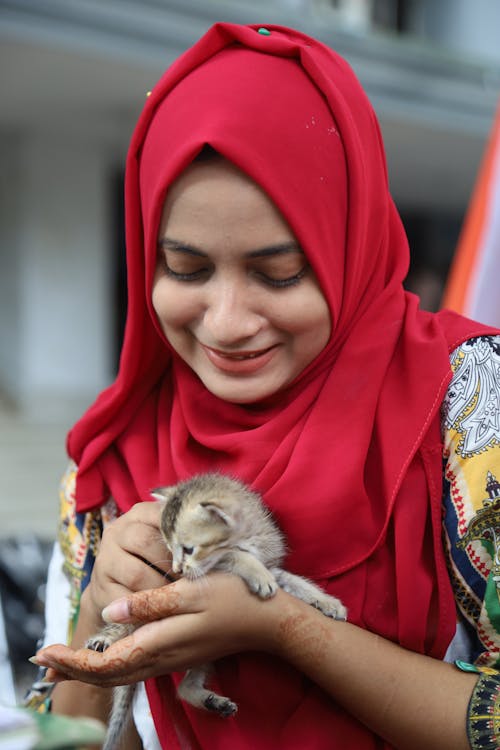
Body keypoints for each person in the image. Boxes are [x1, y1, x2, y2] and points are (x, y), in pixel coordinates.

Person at [31, 22, 500, 750]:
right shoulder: (113, 455)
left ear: (349, 248)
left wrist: (285, 627)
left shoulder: (471, 407)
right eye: (186, 269)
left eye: (279, 273)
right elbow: (69, 736)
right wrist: (100, 606)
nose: (226, 322)